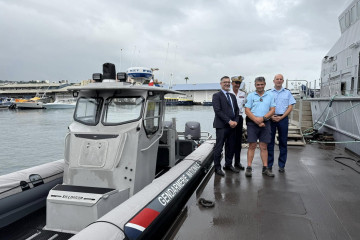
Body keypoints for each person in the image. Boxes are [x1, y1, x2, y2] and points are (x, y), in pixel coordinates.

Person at [244, 76, 275, 177]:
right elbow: (247, 110)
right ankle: (249, 167)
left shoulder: (270, 95)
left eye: (262, 84)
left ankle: (265, 168)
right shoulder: (250, 96)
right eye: (258, 84)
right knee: (252, 145)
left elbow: (272, 110)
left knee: (264, 146)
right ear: (255, 85)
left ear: (265, 84)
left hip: (265, 123)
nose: (260, 86)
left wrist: (263, 119)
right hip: (252, 123)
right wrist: (257, 121)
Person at [268, 74, 296, 173]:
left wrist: (281, 117)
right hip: (271, 118)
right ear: (273, 81)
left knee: (283, 142)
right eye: (277, 79)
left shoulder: (287, 93)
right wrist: (270, 116)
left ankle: (281, 165)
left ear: (283, 81)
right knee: (269, 142)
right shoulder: (269, 93)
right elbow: (266, 106)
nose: (279, 81)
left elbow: (290, 107)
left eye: (280, 79)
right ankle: (269, 165)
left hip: (283, 119)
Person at [212, 76, 240, 176]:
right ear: (221, 83)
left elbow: (236, 110)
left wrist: (236, 121)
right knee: (219, 147)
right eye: (225, 82)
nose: (227, 84)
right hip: (222, 126)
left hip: (233, 126)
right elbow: (218, 110)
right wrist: (229, 121)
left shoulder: (232, 96)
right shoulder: (216, 95)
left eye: (228, 82)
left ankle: (228, 164)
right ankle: (217, 167)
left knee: (231, 146)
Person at [229, 75, 246, 170]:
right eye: (236, 83)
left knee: (238, 142)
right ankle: (228, 163)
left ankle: (237, 162)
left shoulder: (243, 94)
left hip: (239, 118)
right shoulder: (228, 93)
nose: (237, 85)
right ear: (232, 83)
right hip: (229, 119)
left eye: (239, 83)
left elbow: (245, 106)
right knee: (229, 141)